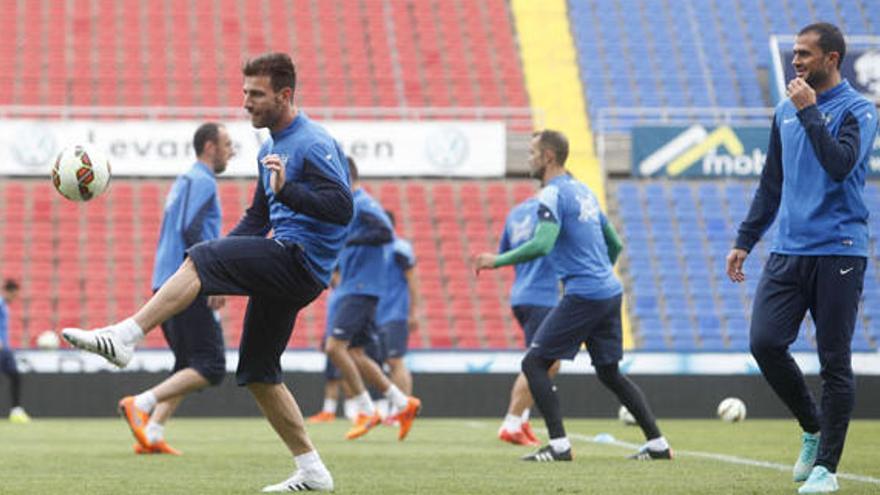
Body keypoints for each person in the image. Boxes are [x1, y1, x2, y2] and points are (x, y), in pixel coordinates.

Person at [62, 52, 353, 492]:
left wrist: (287, 193)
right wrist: (221, 266)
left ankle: (126, 337)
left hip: (301, 261)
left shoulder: (312, 142)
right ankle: (313, 471)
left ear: (285, 94)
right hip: (284, 259)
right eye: (244, 93)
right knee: (257, 371)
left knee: (203, 255)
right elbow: (258, 217)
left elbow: (342, 207)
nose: (245, 103)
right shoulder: (270, 147)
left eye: (256, 94)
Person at [726, 23, 878, 494]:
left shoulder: (859, 110)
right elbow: (771, 183)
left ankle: (826, 470)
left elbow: (839, 165)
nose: (796, 62)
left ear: (832, 59)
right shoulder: (784, 112)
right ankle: (812, 427)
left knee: (834, 362)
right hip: (788, 250)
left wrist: (812, 114)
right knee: (765, 343)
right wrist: (746, 239)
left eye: (805, 55)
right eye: (794, 54)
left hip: (839, 251)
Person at [474, 130, 671, 462]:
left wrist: (497, 261)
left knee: (534, 363)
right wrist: (598, 274)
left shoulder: (550, 195)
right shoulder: (585, 192)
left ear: (549, 156)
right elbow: (615, 244)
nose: (529, 159)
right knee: (609, 373)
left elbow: (542, 244)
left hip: (586, 294)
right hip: (608, 290)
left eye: (533, 152)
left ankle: (559, 446)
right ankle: (657, 445)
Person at [116, 122, 234, 455]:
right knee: (210, 365)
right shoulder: (203, 181)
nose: (232, 150)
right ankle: (140, 403)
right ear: (210, 146)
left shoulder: (184, 181)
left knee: (187, 364)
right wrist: (213, 276)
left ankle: (152, 432)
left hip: (164, 282)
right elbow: (190, 228)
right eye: (227, 143)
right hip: (187, 284)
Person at [323, 158, 421, 441]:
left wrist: (350, 240)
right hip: (356, 287)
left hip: (361, 288)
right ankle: (403, 403)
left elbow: (384, 231)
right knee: (355, 353)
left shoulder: (362, 202)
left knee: (334, 348)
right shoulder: (350, 205)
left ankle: (366, 410)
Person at [494, 197, 560, 447]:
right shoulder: (554, 209)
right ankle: (512, 422)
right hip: (543, 294)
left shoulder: (515, 213)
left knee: (545, 362)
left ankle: (521, 421)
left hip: (521, 294)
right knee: (543, 363)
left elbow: (505, 254)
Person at [375, 210, 418, 411]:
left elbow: (412, 280)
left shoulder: (399, 248)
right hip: (376, 314)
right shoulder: (374, 248)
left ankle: (404, 408)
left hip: (395, 313)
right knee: (382, 363)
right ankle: (393, 406)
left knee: (395, 361)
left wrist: (413, 312)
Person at [0, 279, 29, 424]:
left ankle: (16, 410)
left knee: (15, 376)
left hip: (5, 348)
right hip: (1, 347)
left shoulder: (5, 305)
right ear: (9, 291)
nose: (15, 297)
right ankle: (16, 409)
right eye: (15, 294)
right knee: (14, 377)